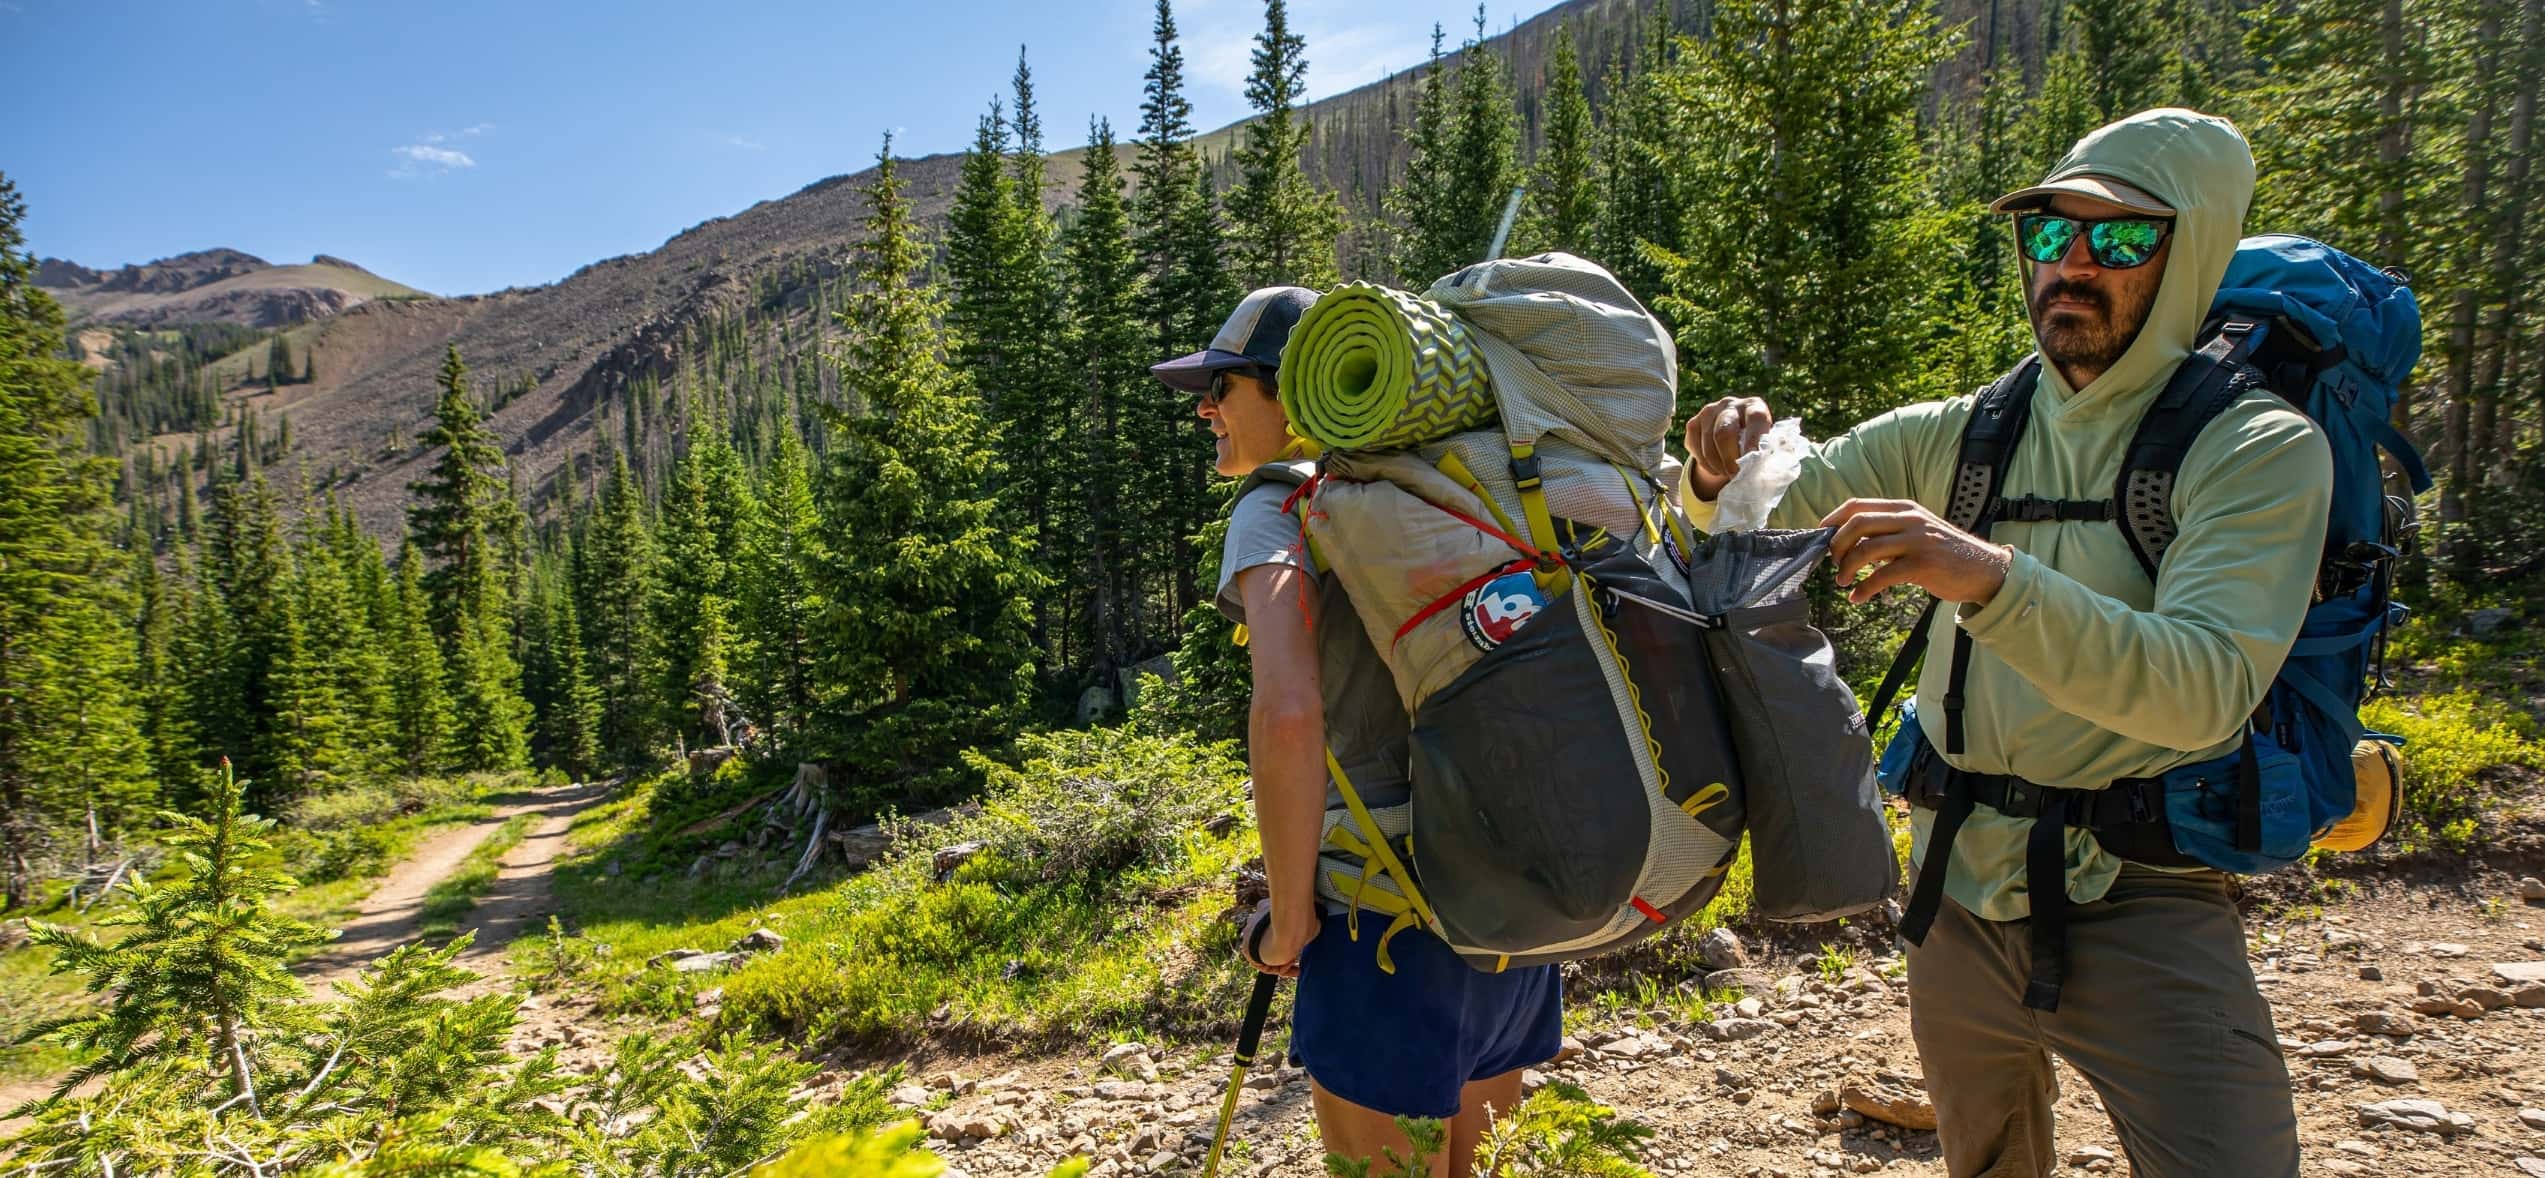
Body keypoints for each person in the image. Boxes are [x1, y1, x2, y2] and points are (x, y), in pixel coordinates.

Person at [1679, 109, 2324, 1177]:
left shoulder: (2255, 448)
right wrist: (1714, 472)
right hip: (1956, 885)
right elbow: (1757, 521)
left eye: (2118, 240)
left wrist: (1984, 574)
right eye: (2048, 235)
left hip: (2143, 890)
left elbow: (2203, 688)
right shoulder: (1969, 427)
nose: (2070, 265)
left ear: (2194, 247)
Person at [1152, 286, 1562, 1176]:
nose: (1205, 408)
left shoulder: (1278, 509)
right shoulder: (1460, 490)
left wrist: (1291, 915)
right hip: (1513, 895)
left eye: (1223, 386)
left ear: (1291, 391)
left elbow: (1288, 711)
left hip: (1380, 919)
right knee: (1475, 1168)